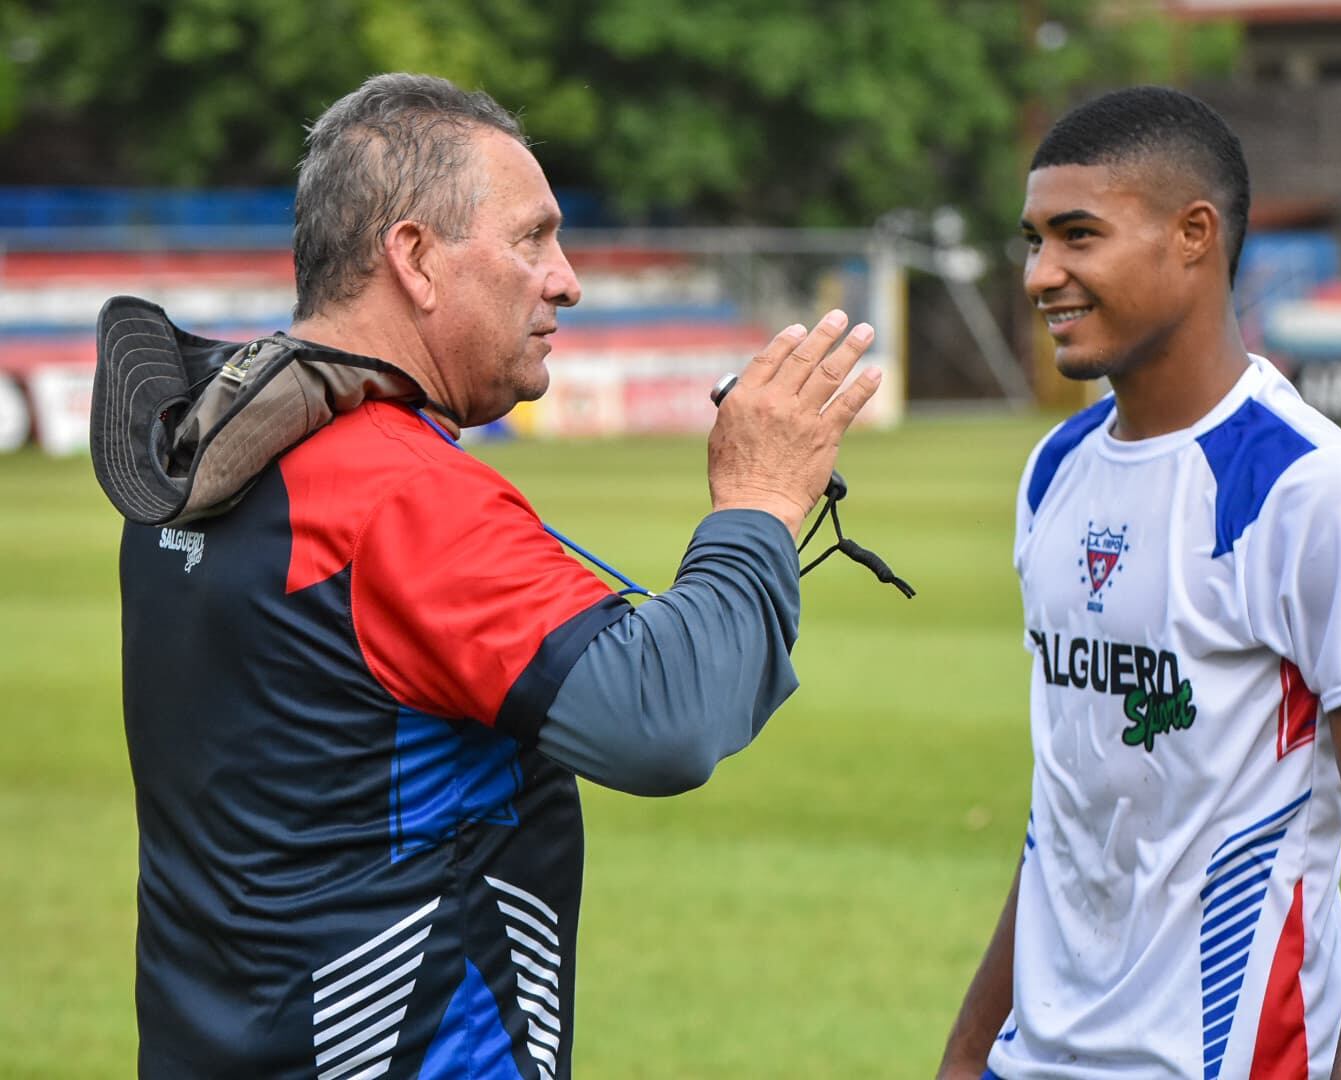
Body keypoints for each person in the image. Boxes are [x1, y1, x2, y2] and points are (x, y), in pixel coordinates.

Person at [107, 74, 880, 1077]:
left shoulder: (197, 459)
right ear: (416, 259)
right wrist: (763, 500)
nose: (566, 279)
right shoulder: (392, 493)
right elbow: (667, 716)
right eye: (532, 239)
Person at [936, 87, 1341, 1080]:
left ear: (1194, 235)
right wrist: (967, 1054)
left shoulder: (1314, 492)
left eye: (1077, 236)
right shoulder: (1054, 471)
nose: (1042, 274)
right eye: (1035, 240)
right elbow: (1070, 811)